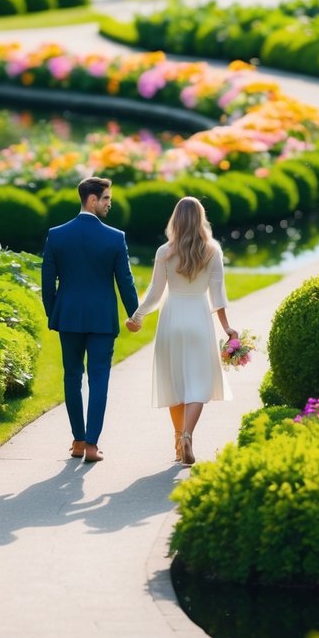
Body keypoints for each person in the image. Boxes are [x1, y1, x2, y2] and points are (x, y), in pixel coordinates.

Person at [125, 197, 237, 467]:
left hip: (172, 317)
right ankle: (187, 435)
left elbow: (155, 291)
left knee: (175, 383)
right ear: (201, 219)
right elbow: (218, 294)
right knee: (198, 385)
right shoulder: (212, 250)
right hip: (199, 318)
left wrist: (137, 316)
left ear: (175, 219)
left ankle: (178, 444)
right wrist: (227, 328)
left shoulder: (165, 250)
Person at [41, 175, 139, 463]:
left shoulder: (56, 234)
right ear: (92, 200)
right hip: (101, 320)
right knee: (99, 379)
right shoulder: (115, 237)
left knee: (72, 377)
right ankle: (92, 445)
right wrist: (135, 315)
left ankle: (78, 441)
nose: (110, 203)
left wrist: (54, 311)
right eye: (106, 198)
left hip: (68, 317)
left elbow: (48, 282)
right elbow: (126, 282)